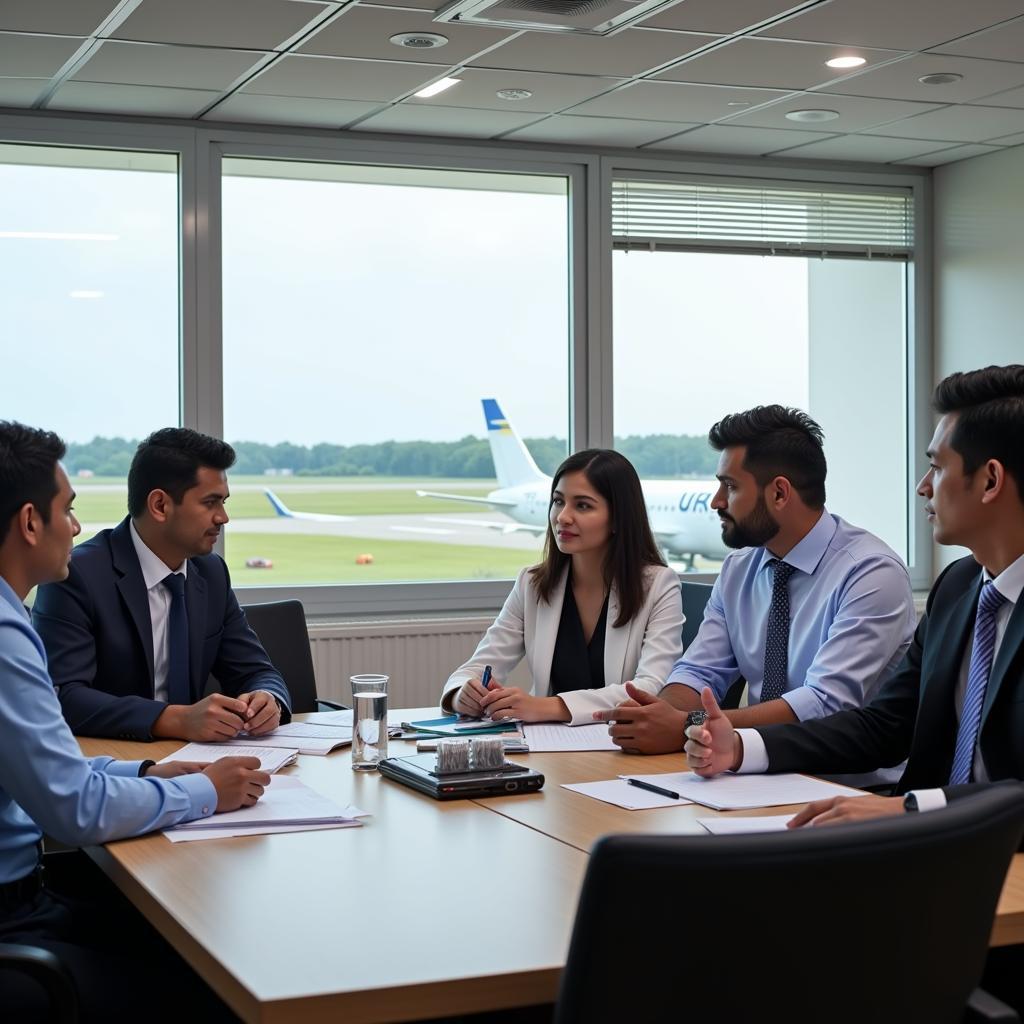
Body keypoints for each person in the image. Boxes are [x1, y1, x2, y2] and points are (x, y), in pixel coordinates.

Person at [0, 421, 270, 1022]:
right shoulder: (7, 634)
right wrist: (201, 789)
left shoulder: (209, 576)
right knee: (209, 984)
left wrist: (150, 770)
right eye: (66, 509)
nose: (74, 525)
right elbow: (73, 805)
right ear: (28, 523)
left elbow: (49, 767)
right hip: (14, 920)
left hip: (31, 896)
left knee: (187, 941)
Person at [684, 366, 1024, 822]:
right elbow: (884, 726)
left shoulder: (871, 569)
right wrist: (740, 747)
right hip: (932, 839)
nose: (923, 486)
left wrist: (907, 810)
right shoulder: (960, 587)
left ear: (990, 481)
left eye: (937, 467)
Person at [594, 406, 915, 779]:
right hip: (753, 772)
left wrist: (685, 724)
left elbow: (824, 703)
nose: (716, 501)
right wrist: (658, 715)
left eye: (730, 486)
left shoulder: (870, 573)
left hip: (851, 787)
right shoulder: (740, 568)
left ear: (779, 492)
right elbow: (699, 671)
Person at [33, 427, 291, 742]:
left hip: (200, 760)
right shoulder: (77, 575)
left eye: (223, 502)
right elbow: (64, 697)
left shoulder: (211, 573)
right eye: (210, 503)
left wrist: (268, 698)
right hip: (115, 763)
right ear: (160, 505)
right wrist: (175, 720)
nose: (223, 517)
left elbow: (255, 670)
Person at [441, 449, 683, 724]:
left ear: (618, 517)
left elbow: (648, 688)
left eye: (582, 505)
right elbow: (479, 666)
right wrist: (462, 694)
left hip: (621, 745)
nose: (562, 517)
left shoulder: (659, 585)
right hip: (546, 746)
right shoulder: (532, 583)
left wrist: (548, 707)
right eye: (558, 502)